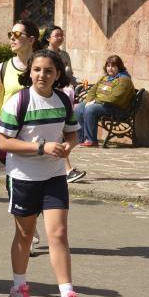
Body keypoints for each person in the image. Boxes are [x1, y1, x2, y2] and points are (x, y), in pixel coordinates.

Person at [0, 49, 88, 297]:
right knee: (25, 235)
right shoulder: (18, 101)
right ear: (30, 72)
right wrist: (41, 147)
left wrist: (66, 147)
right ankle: (18, 289)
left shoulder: (62, 100)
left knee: (58, 234)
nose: (42, 75)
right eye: (37, 70)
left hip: (54, 176)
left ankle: (67, 296)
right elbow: (3, 142)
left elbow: (71, 133)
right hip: (23, 177)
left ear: (57, 74)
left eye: (48, 71)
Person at [0, 20, 44, 253]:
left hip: (37, 134)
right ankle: (26, 231)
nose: (12, 38)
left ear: (31, 39)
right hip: (8, 135)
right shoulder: (3, 68)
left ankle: (31, 221)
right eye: (11, 33)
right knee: (14, 185)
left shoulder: (42, 64)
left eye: (17, 34)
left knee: (38, 183)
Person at [43, 26, 85, 183]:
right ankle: (67, 170)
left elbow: (69, 74)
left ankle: (64, 170)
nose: (60, 38)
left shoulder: (65, 54)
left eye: (62, 35)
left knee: (61, 132)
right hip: (49, 96)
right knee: (58, 133)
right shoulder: (44, 55)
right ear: (48, 38)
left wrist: (77, 83)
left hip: (62, 97)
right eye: (56, 35)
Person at [75, 55, 135, 147]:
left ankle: (92, 140)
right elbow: (92, 91)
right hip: (103, 105)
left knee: (91, 109)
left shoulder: (124, 80)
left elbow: (113, 98)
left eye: (113, 66)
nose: (110, 68)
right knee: (79, 108)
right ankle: (81, 139)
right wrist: (87, 102)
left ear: (119, 67)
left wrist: (95, 101)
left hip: (117, 109)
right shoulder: (104, 78)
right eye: (108, 66)